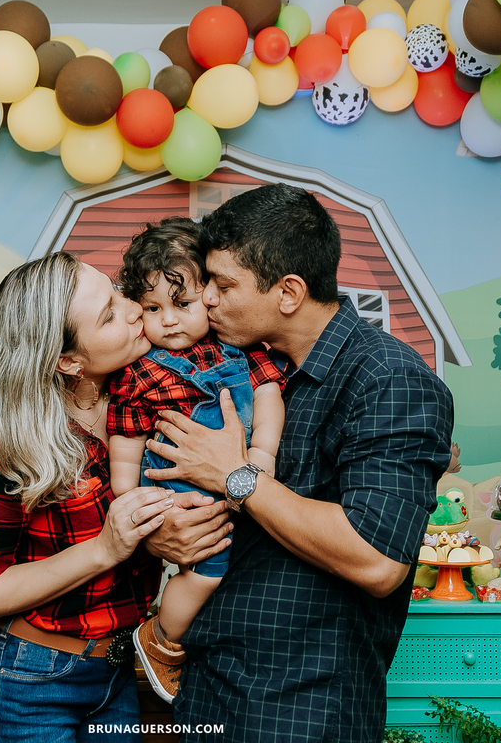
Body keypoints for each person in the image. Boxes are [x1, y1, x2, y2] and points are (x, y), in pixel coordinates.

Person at [143, 183, 454, 743]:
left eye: (223, 285)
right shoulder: (255, 370)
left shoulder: (388, 378)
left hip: (299, 706)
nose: (206, 299)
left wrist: (235, 476)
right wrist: (166, 534)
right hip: (212, 685)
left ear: (288, 292)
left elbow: (377, 560)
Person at [0, 252, 217, 742]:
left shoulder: (155, 395)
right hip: (26, 679)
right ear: (68, 361)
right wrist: (105, 549)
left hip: (116, 672)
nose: (134, 309)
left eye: (118, 293)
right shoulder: (10, 442)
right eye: (109, 315)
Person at [106, 217, 285, 703]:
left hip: (243, 478)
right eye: (153, 308)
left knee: (247, 567)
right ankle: (162, 639)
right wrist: (132, 499)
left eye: (181, 304)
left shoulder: (239, 348)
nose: (168, 320)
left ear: (208, 294)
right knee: (208, 571)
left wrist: (262, 452)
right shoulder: (138, 372)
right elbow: (126, 438)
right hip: (179, 495)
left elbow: (268, 395)